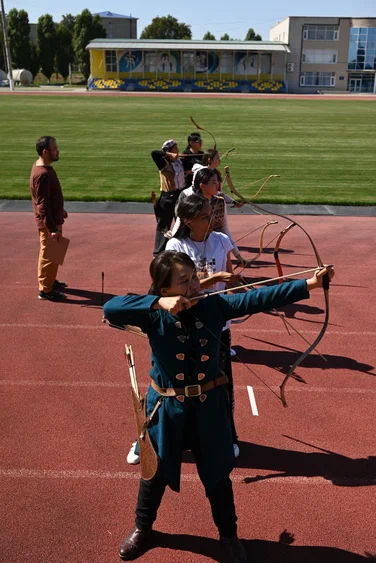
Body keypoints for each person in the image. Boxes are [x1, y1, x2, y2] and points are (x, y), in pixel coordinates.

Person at [103, 251, 333, 562]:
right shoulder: (153, 314)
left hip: (208, 411)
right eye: (184, 281)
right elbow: (111, 308)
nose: (194, 284)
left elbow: (260, 298)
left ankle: (228, 536)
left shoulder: (213, 306)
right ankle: (143, 528)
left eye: (194, 277)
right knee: (153, 473)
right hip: (167, 411)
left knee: (217, 476)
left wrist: (310, 283)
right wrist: (158, 304)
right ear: (165, 288)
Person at [166, 194, 241, 455]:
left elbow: (230, 277)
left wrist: (235, 283)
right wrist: (212, 280)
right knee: (177, 386)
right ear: (188, 220)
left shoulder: (221, 240)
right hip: (184, 325)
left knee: (222, 385)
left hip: (217, 325)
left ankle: (228, 437)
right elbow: (176, 287)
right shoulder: (175, 246)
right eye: (206, 216)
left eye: (213, 214)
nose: (213, 219)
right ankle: (164, 437)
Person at [172, 164, 247, 265]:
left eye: (217, 182)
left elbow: (224, 227)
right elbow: (180, 222)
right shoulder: (191, 203)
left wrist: (238, 255)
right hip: (192, 246)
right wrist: (173, 240)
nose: (218, 185)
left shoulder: (220, 202)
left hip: (213, 244)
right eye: (214, 183)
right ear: (203, 186)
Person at [29, 136, 68, 301]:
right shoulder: (43, 174)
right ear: (45, 152)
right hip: (48, 223)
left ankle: (50, 280)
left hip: (53, 218)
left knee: (55, 253)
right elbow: (43, 206)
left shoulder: (42, 167)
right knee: (48, 254)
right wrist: (52, 229)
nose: (57, 151)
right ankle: (45, 290)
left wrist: (60, 210)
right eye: (54, 148)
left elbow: (49, 198)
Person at [151, 139, 185, 256]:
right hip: (168, 197)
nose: (177, 151)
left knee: (182, 223)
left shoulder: (179, 161)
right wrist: (167, 155)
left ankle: (180, 250)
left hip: (180, 195)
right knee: (164, 226)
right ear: (169, 151)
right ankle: (158, 254)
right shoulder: (164, 163)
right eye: (174, 149)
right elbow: (154, 153)